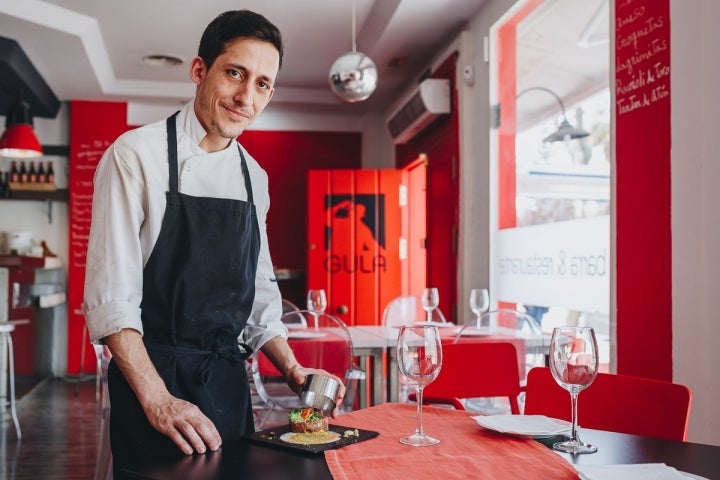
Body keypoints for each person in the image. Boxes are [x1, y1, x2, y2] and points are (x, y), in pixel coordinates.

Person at [82, 9, 345, 472]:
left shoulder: (253, 177)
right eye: (235, 73)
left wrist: (293, 369)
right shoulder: (135, 156)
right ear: (199, 70)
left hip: (226, 386)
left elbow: (261, 293)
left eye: (262, 83)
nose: (246, 96)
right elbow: (111, 302)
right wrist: (159, 400)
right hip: (153, 386)